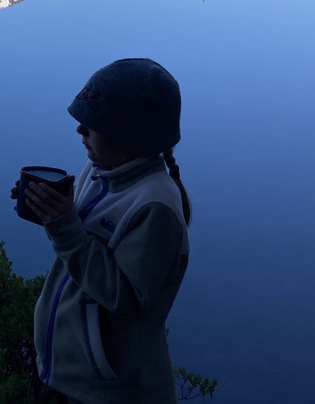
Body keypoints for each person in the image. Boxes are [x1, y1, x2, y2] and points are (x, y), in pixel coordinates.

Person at [18, 57, 192, 404]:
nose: (80, 131)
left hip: (113, 392)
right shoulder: (100, 170)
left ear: (128, 134)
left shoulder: (154, 207)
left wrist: (64, 226)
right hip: (75, 378)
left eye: (91, 124)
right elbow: (87, 243)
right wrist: (53, 211)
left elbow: (126, 299)